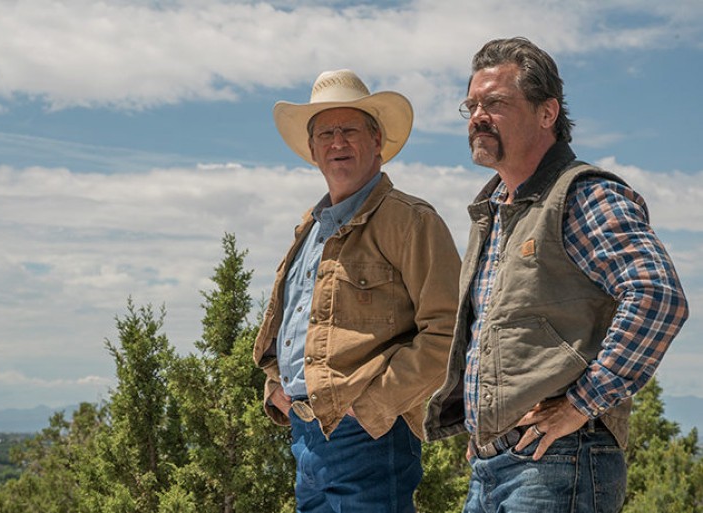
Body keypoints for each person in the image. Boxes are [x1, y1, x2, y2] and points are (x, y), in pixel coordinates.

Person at [424, 37, 689, 513]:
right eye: (472, 105)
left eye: (496, 103)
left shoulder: (583, 196)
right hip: (496, 466)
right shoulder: (495, 211)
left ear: (547, 114)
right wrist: (487, 430)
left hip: (559, 461)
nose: (478, 116)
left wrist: (580, 405)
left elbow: (657, 295)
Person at [253, 69, 461, 512]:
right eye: (325, 133)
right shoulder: (309, 230)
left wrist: (368, 407)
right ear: (312, 150)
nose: (337, 142)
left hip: (368, 434)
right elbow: (287, 327)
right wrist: (277, 389)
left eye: (349, 130)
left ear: (377, 142)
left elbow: (450, 334)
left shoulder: (411, 221)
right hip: (305, 434)